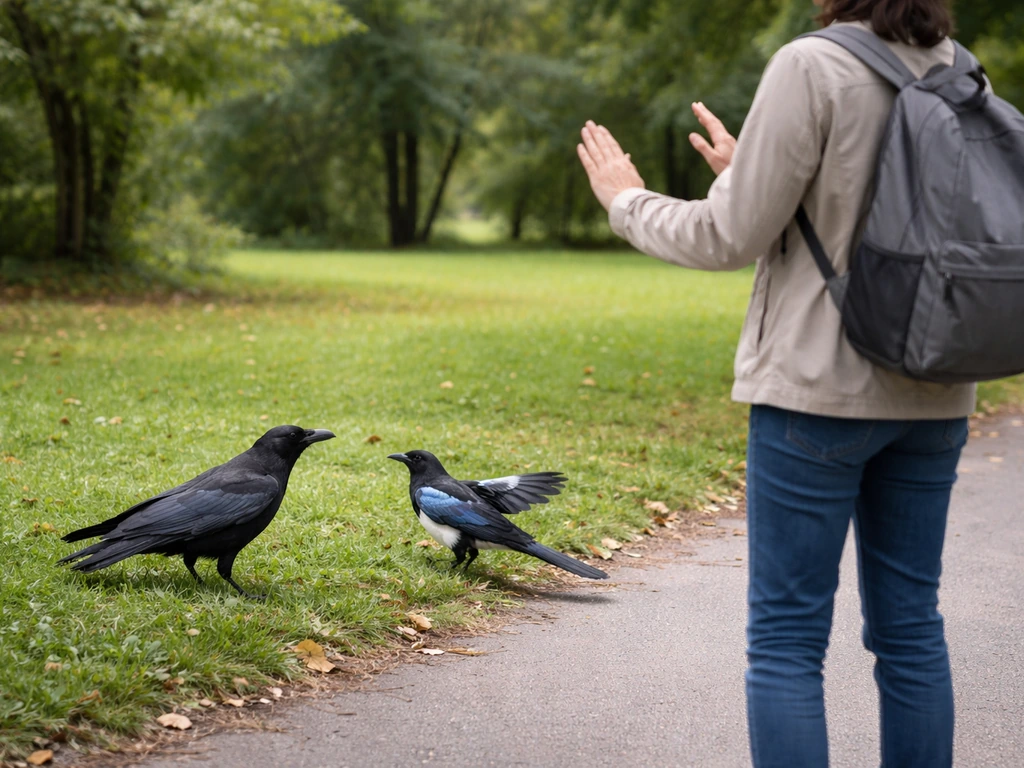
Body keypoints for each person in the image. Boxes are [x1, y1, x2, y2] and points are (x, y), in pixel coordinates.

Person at [576, 1, 974, 766]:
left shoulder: (813, 64)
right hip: (936, 389)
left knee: (788, 641)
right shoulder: (957, 66)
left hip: (817, 394)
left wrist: (625, 201)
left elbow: (727, 237)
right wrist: (747, 178)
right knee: (912, 630)